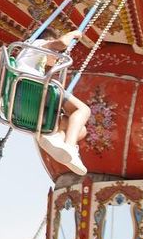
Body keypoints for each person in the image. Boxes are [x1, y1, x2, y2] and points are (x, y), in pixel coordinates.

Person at [16, 28, 91, 176]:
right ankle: (69, 146)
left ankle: (57, 139)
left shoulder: (25, 54)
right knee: (83, 110)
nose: (57, 58)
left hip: (21, 105)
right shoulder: (39, 44)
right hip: (33, 91)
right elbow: (61, 43)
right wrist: (73, 33)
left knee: (81, 130)